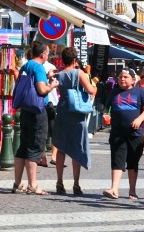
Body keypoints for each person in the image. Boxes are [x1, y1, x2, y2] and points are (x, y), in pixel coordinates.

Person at [11, 42, 59, 195]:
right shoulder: (38, 67)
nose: (47, 56)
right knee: (35, 146)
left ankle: (18, 183)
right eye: (47, 53)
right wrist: (52, 85)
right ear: (43, 54)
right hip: (38, 110)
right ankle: (33, 185)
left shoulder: (26, 66)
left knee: (23, 147)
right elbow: (41, 89)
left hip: (25, 109)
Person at [53, 47, 97, 195]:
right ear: (74, 60)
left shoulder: (59, 75)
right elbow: (91, 90)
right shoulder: (79, 73)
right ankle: (76, 184)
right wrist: (94, 86)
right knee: (77, 146)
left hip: (63, 110)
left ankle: (59, 182)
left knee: (61, 147)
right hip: (77, 112)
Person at [103, 68, 144, 200]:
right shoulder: (114, 92)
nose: (122, 79)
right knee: (117, 160)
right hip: (117, 132)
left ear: (133, 79)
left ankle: (132, 190)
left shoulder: (140, 92)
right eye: (120, 77)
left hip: (135, 133)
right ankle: (114, 189)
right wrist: (105, 115)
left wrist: (139, 119)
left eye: (125, 77)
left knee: (132, 162)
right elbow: (107, 108)